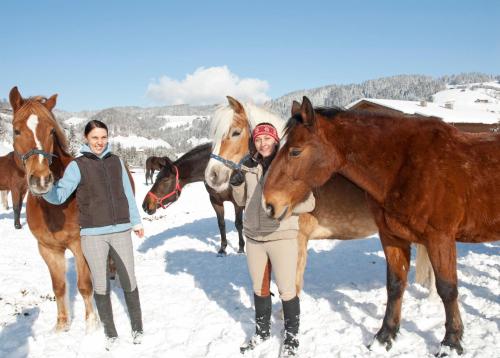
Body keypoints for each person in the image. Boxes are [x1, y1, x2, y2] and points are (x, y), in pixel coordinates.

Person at [42, 120, 144, 350]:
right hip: (93, 235)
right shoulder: (78, 166)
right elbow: (59, 196)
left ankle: (137, 327)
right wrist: (45, 188)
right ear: (87, 138)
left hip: (121, 231)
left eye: (103, 137)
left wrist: (136, 222)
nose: (100, 142)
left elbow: (127, 194)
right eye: (95, 137)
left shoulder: (117, 161)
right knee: (100, 284)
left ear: (108, 138)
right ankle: (110, 332)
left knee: (129, 279)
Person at [230, 123, 315, 357]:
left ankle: (291, 338)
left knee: (287, 290)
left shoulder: (288, 166)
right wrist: (236, 183)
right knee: (259, 288)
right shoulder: (247, 165)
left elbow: (310, 203)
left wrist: (286, 208)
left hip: (281, 236)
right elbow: (240, 201)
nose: (263, 143)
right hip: (254, 237)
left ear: (276, 140)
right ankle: (262, 332)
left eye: (267, 139)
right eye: (258, 140)